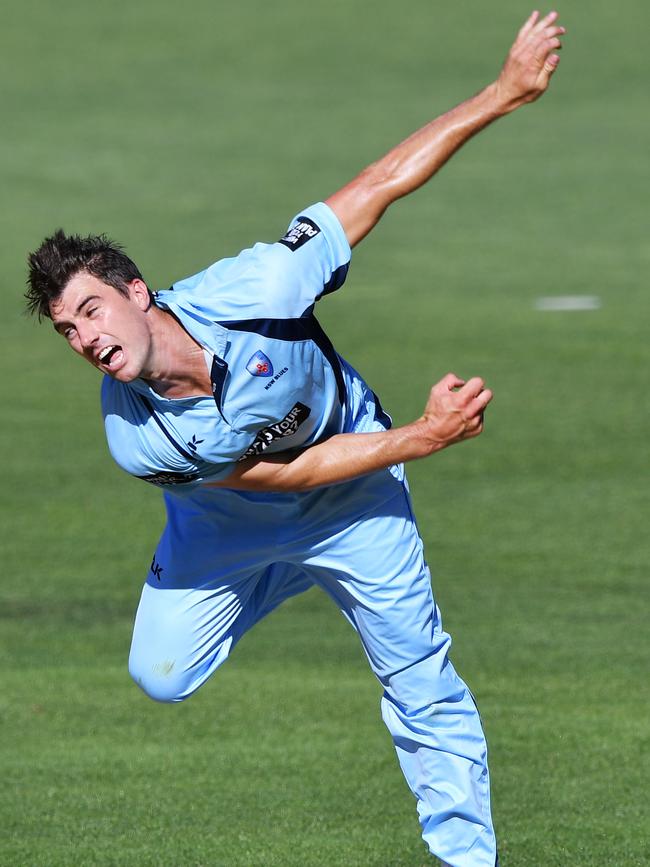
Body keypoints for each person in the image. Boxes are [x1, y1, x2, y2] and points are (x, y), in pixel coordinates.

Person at [26, 11, 563, 865]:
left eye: (91, 310)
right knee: (161, 677)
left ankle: (469, 859)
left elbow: (381, 181)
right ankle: (286, 573)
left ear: (136, 290)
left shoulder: (262, 286)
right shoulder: (135, 437)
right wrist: (424, 437)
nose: (87, 338)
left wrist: (502, 93)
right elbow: (279, 475)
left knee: (419, 677)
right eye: (67, 331)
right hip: (237, 515)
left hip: (353, 495)